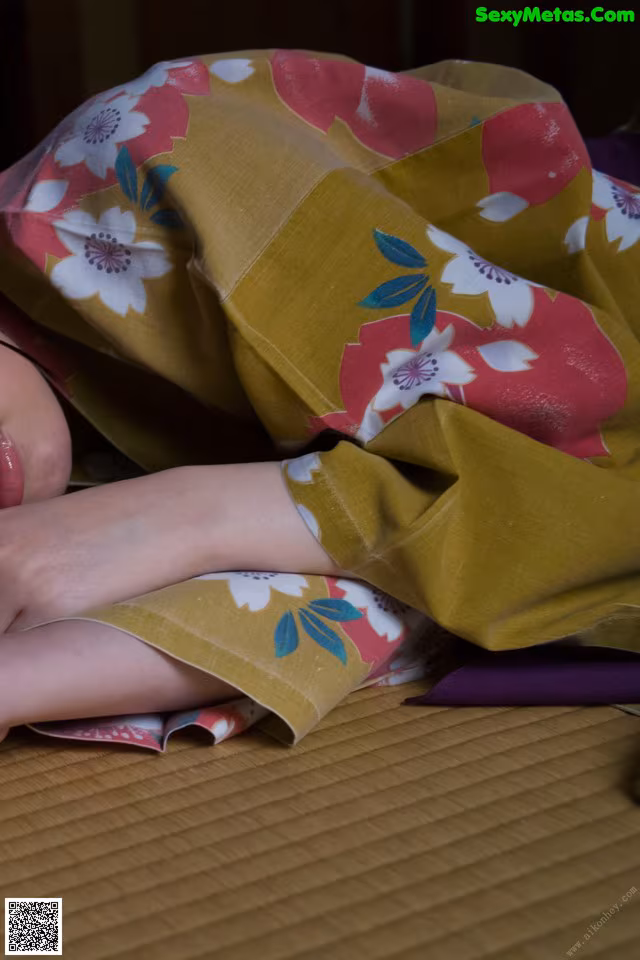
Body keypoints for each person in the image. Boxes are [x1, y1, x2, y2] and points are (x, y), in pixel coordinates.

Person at [0, 50, 639, 750]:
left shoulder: (120, 175)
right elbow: (419, 577)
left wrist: (192, 515)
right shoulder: (67, 461)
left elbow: (587, 470)